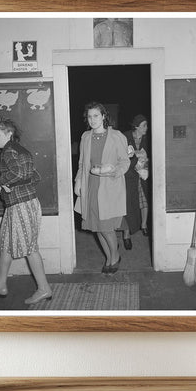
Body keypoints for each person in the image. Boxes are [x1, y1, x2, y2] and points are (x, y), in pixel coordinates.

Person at [0, 118, 52, 305]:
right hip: (21, 204)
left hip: (21, 205)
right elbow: (33, 176)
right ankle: (0, 284)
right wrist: (10, 185)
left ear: (8, 134)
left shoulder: (9, 151)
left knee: (29, 248)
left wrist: (2, 182)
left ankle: (44, 289)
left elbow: (19, 174)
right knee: (5, 243)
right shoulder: (21, 150)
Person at [74, 102, 130, 273]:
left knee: (106, 227)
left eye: (96, 116)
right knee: (96, 226)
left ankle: (115, 257)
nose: (92, 119)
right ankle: (109, 258)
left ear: (104, 116)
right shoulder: (85, 137)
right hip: (90, 185)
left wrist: (113, 171)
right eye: (89, 116)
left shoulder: (116, 136)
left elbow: (125, 161)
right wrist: (78, 181)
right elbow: (82, 163)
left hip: (109, 186)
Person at [121, 114, 150, 250]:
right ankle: (127, 234)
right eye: (144, 125)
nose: (146, 128)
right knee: (129, 204)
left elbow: (150, 154)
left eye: (146, 125)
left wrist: (143, 158)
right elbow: (121, 155)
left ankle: (144, 225)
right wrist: (136, 155)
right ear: (137, 126)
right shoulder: (125, 136)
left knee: (144, 200)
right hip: (129, 175)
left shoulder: (147, 138)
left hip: (142, 174)